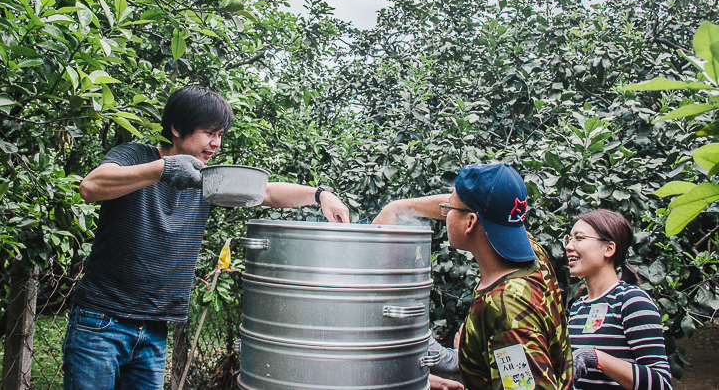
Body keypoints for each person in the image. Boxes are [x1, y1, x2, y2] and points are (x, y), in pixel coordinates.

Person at [62, 86, 350, 389]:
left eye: (221, 134)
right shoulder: (136, 155)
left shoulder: (207, 180)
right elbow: (90, 187)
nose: (216, 143)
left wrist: (319, 195)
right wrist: (163, 170)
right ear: (176, 128)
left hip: (156, 328)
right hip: (100, 322)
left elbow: (264, 191)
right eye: (209, 133)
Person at [374, 163, 573, 390]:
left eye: (450, 208)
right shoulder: (529, 250)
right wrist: (397, 208)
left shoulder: (505, 313)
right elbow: (482, 206)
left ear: (470, 222)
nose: (445, 211)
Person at [566, 209, 672, 390]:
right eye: (569, 239)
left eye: (579, 238)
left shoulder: (632, 302)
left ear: (609, 248)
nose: (569, 246)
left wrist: (596, 357)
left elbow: (661, 384)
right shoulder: (577, 308)